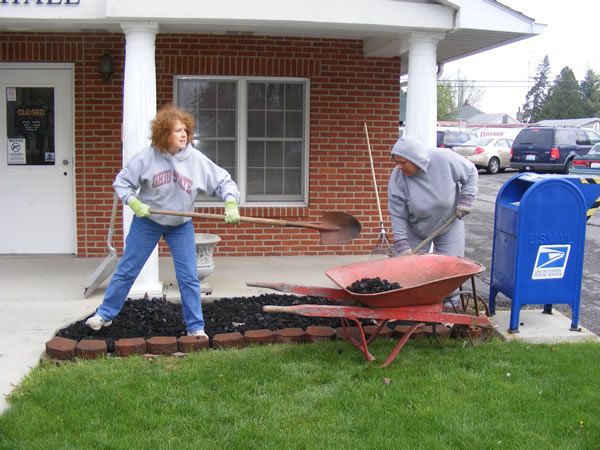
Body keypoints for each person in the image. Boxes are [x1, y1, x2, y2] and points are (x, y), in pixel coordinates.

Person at [85, 106, 241, 338]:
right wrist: (134, 202)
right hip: (148, 221)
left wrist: (230, 202)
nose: (184, 135)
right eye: (177, 130)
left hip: (181, 225)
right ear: (164, 134)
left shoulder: (196, 159)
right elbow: (122, 183)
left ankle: (196, 327)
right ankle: (105, 315)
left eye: (185, 130)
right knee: (128, 269)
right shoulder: (146, 158)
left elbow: (223, 182)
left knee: (188, 276)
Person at [387, 135, 478, 258]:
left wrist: (467, 199)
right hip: (415, 229)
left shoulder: (443, 158)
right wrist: (401, 244)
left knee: (451, 268)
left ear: (415, 159)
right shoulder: (398, 177)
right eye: (396, 162)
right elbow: (397, 214)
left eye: (403, 162)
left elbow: (471, 171)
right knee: (414, 271)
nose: (399, 166)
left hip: (448, 225)